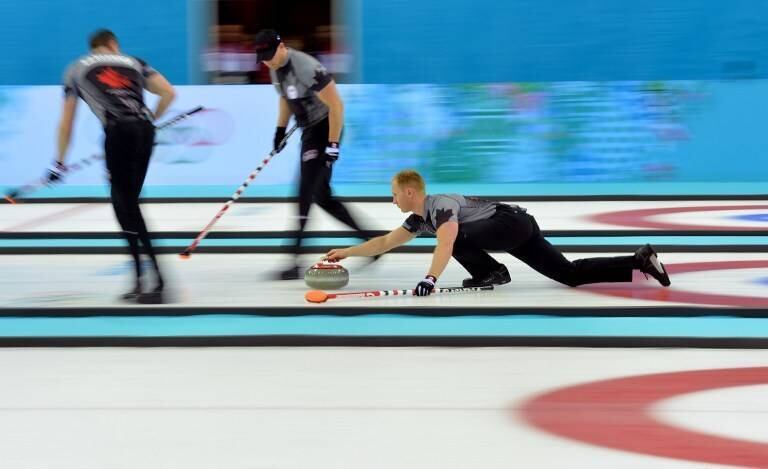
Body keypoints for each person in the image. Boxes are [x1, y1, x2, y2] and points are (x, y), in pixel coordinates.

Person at [324, 170, 671, 296]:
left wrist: (430, 279)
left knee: (453, 237)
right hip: (518, 228)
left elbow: (447, 242)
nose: (392, 198)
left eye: (395, 193)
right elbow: (385, 242)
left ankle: (492, 272)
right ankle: (639, 260)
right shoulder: (418, 220)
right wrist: (347, 253)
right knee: (569, 275)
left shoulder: (440, 205)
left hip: (510, 223)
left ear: (411, 192)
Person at [50, 29, 176, 303]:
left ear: (93, 48)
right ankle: (142, 280)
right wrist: (150, 120)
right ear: (113, 44)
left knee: (126, 206)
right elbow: (168, 93)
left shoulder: (75, 69)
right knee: (126, 204)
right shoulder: (134, 61)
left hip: (118, 132)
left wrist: (59, 162)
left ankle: (158, 282)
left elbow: (67, 122)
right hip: (144, 130)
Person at [254, 29, 373, 280]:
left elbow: (336, 106)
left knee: (305, 192)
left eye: (269, 55)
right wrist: (279, 131)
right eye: (262, 57)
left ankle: (294, 260)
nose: (267, 61)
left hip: (325, 128)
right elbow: (286, 100)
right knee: (322, 196)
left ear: (282, 47)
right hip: (309, 131)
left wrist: (332, 144)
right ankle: (371, 242)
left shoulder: (306, 67)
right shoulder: (275, 68)